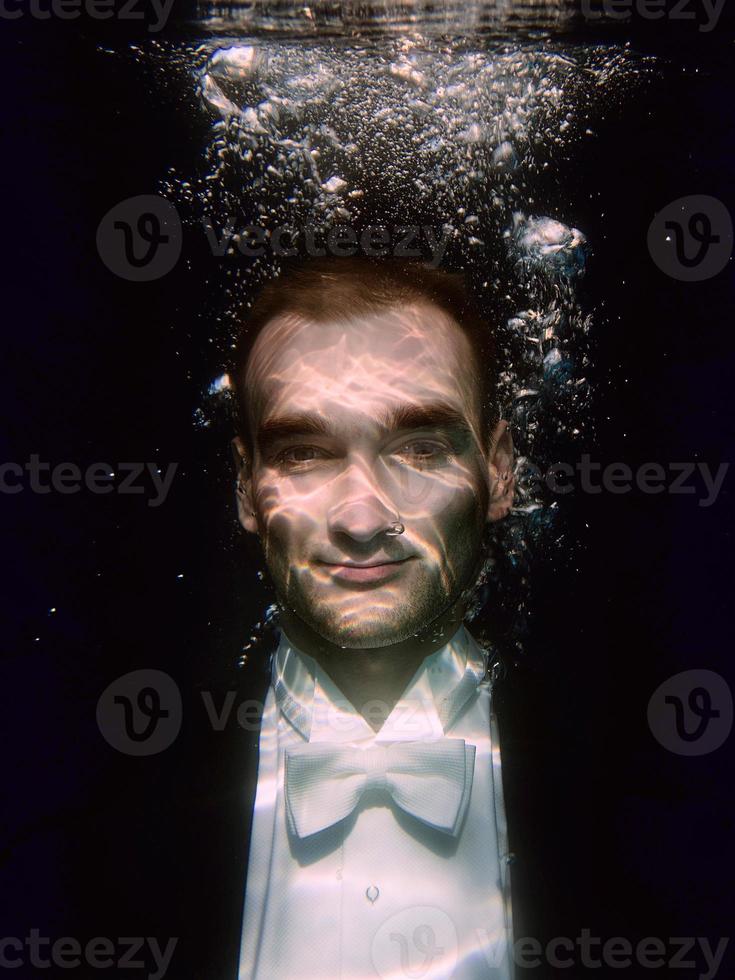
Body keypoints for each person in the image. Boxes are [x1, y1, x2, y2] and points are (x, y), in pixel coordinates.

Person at [230, 255, 516, 979]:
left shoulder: (661, 800)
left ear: (498, 470)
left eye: (420, 447)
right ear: (245, 489)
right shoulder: (93, 823)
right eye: (303, 452)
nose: (362, 517)